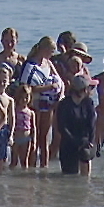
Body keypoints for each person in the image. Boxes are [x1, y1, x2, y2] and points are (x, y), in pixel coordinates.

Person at [19, 36, 63, 167]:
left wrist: (59, 93)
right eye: (51, 50)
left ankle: (44, 166)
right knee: (34, 137)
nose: (52, 54)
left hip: (48, 104)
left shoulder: (48, 63)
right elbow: (26, 87)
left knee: (44, 137)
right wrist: (48, 87)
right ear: (44, 49)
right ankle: (31, 165)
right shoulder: (30, 65)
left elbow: (58, 80)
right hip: (34, 103)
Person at [56, 74, 97, 176]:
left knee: (85, 156)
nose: (90, 90)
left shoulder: (88, 103)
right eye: (88, 88)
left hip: (85, 142)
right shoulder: (64, 104)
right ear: (83, 90)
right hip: (68, 143)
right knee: (68, 176)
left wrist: (90, 141)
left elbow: (92, 124)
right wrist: (75, 142)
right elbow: (62, 127)